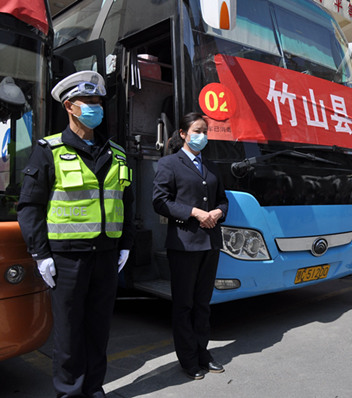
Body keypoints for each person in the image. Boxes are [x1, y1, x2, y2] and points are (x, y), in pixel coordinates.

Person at [17, 71, 134, 397]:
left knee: (99, 331)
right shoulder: (49, 151)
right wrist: (40, 254)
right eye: (90, 102)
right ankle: (69, 393)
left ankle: (94, 389)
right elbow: (29, 207)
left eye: (100, 102)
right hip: (66, 260)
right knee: (68, 335)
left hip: (107, 258)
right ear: (70, 106)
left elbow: (127, 204)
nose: (97, 108)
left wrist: (125, 246)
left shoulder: (117, 154)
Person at [152, 113, 228, 380]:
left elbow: (222, 200)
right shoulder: (169, 164)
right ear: (183, 134)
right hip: (184, 244)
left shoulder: (212, 165)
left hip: (210, 243)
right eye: (197, 130)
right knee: (184, 304)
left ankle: (203, 352)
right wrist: (194, 212)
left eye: (205, 131)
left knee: (203, 304)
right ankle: (188, 359)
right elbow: (160, 201)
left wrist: (218, 212)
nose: (202, 135)